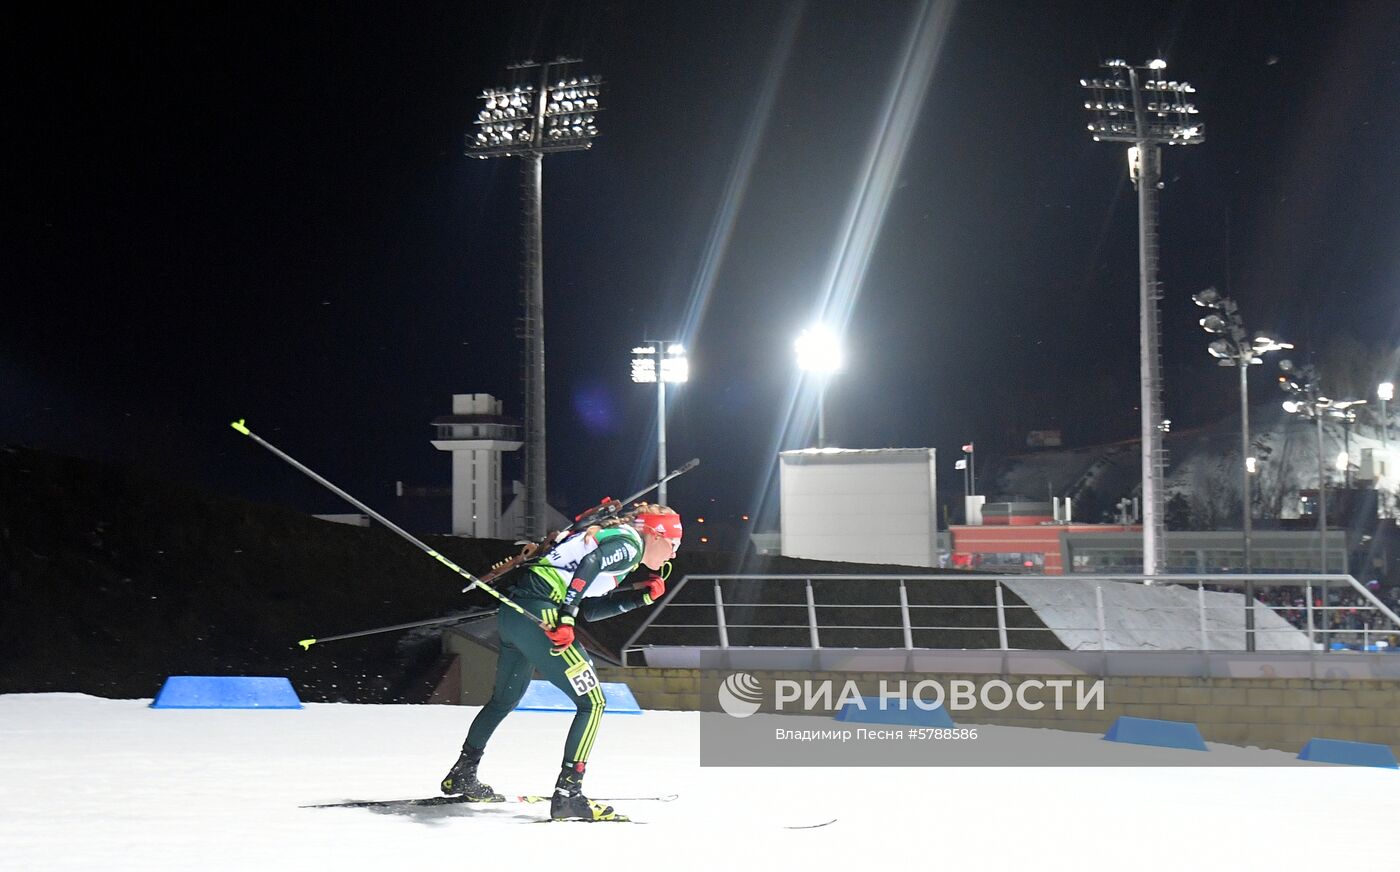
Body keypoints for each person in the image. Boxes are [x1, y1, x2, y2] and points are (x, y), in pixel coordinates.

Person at [439, 503, 682, 821]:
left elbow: (591, 609)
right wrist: (566, 616)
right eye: (674, 545)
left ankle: (463, 772)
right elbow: (591, 565)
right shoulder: (630, 543)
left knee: (503, 700)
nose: (673, 555)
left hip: (516, 616)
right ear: (655, 534)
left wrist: (640, 597)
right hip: (540, 614)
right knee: (593, 703)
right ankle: (569, 794)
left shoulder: (617, 543)